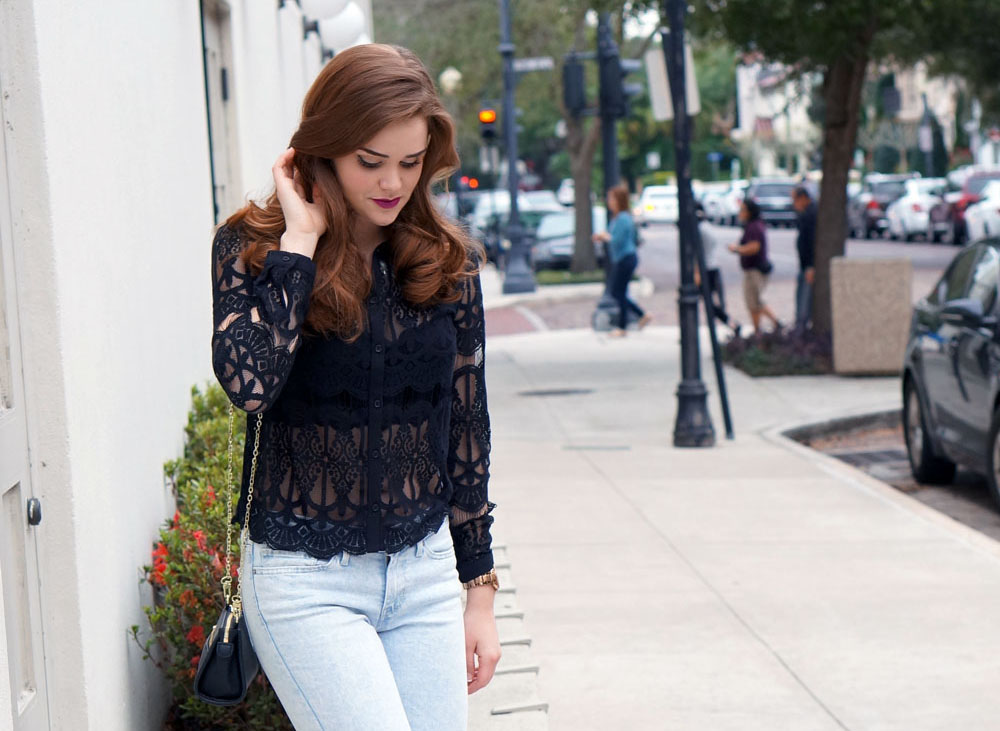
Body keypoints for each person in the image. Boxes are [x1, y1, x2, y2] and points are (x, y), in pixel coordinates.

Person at [210, 44, 499, 730]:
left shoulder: (447, 264)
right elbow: (249, 386)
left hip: (423, 572)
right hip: (304, 579)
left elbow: (467, 428)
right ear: (326, 149)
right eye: (371, 161)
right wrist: (300, 249)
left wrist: (479, 592)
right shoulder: (251, 248)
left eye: (410, 161)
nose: (392, 182)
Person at [592, 183, 652, 337]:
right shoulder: (618, 218)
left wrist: (604, 237)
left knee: (617, 292)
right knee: (618, 292)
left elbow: (617, 239)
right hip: (623, 258)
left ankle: (624, 325)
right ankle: (639, 316)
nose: (609, 201)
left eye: (612, 198)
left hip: (626, 258)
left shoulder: (623, 218)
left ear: (619, 200)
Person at [728, 199, 781, 333]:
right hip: (751, 269)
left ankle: (775, 323)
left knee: (756, 301)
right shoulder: (752, 225)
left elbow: (754, 247)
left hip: (755, 270)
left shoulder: (754, 227)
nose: (740, 212)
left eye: (743, 210)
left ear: (749, 211)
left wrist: (737, 249)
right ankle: (758, 330)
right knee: (753, 302)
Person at [693, 202, 737, 334]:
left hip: (705, 269)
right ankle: (730, 324)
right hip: (713, 266)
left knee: (707, 303)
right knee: (709, 302)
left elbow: (697, 253)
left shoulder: (700, 229)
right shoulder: (707, 226)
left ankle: (731, 323)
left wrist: (696, 273)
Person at [792, 185, 817, 331]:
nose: (793, 204)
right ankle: (799, 327)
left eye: (795, 200)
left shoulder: (811, 214)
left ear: (802, 198)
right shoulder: (805, 214)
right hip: (804, 265)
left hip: (808, 265)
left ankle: (801, 330)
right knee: (801, 297)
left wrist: (811, 266)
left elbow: (811, 242)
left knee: (804, 301)